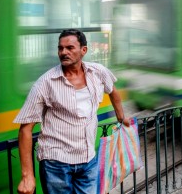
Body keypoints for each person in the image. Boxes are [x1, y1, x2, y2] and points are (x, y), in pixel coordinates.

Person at [13, 29, 130, 194]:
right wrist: (27, 176)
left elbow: (113, 91)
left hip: (88, 159)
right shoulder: (45, 83)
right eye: (60, 48)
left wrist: (121, 117)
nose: (63, 52)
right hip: (56, 164)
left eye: (69, 48)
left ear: (84, 50)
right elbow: (25, 129)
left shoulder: (98, 72)